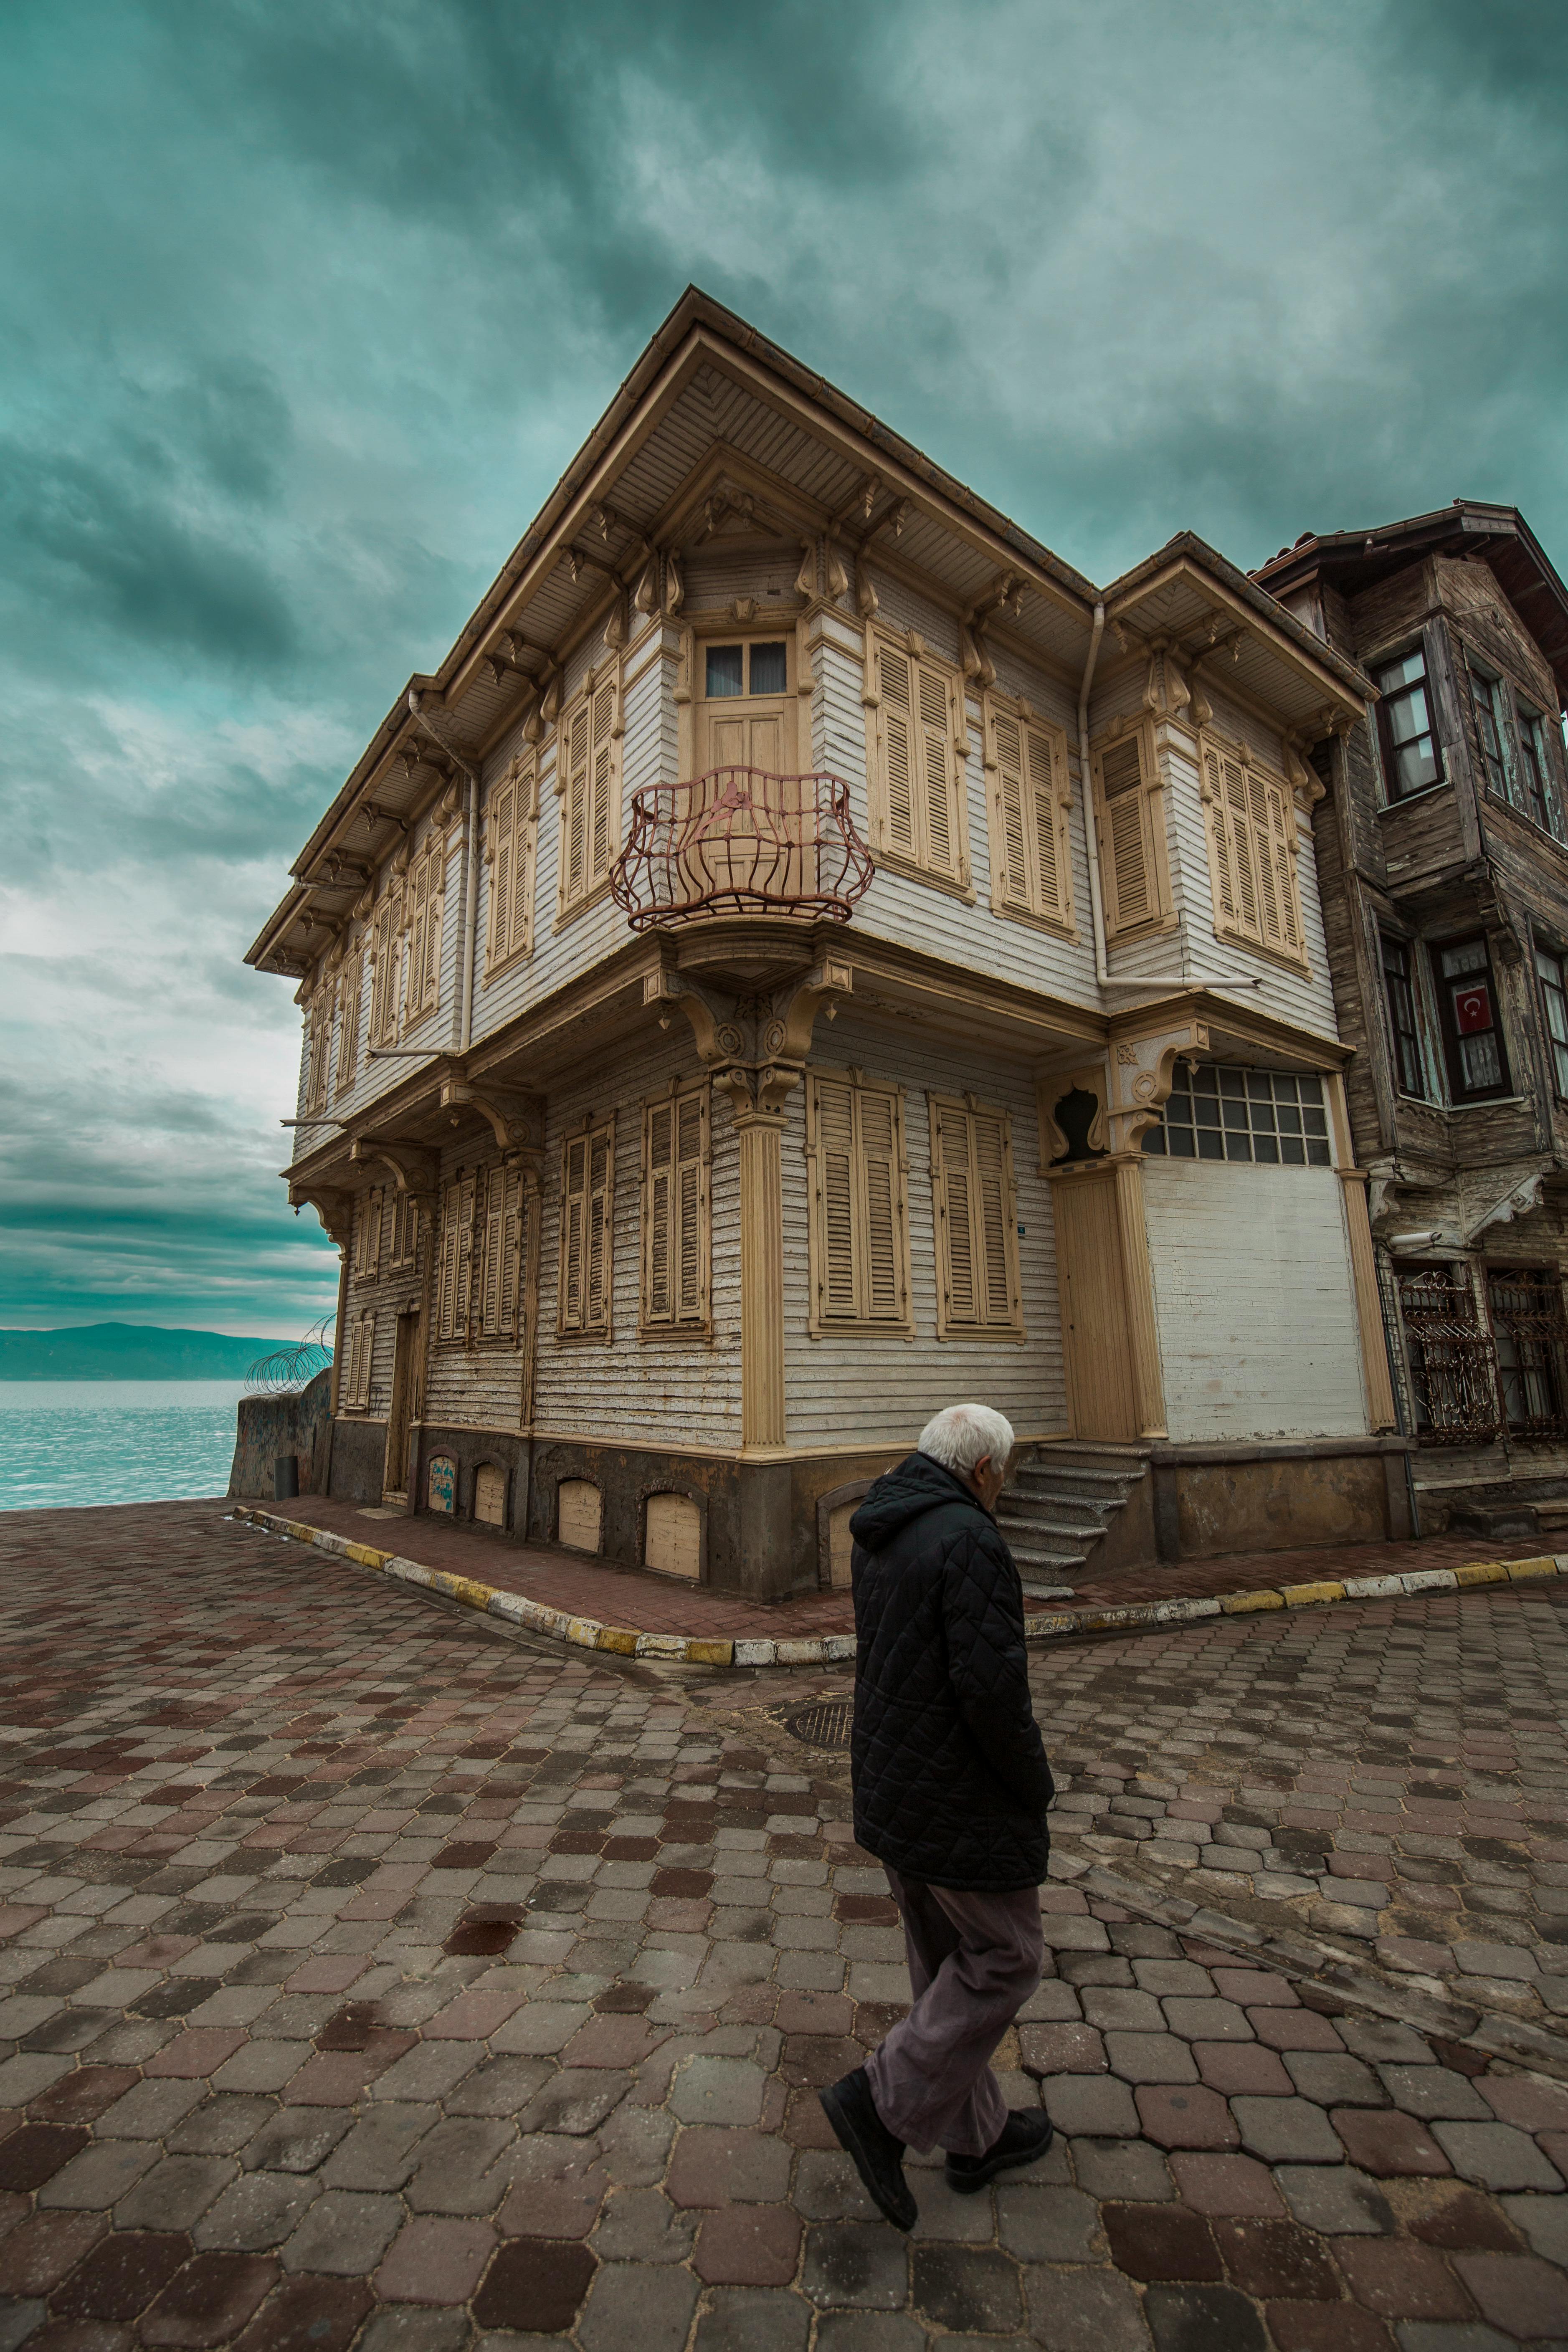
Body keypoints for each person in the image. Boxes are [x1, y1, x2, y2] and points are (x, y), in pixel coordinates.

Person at [819, 1402, 1055, 2230]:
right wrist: (1035, 1782)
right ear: (984, 1470)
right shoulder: (969, 1540)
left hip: (892, 1781)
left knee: (941, 1957)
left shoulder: (884, 1527)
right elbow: (992, 1692)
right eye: (1006, 1471)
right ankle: (880, 2103)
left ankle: (975, 2136)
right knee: (1006, 1955)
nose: (1005, 1484)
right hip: (958, 1795)